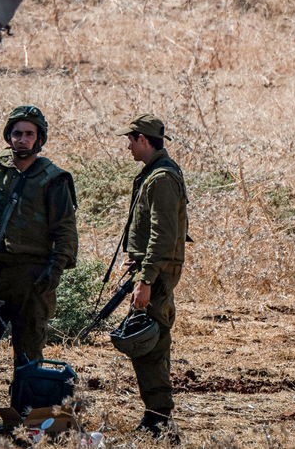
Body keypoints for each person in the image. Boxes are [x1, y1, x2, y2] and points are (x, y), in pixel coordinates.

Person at [0, 105, 78, 401]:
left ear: (39, 139)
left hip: (33, 276)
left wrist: (54, 271)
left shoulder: (53, 178)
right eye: (17, 133)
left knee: (29, 357)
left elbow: (66, 230)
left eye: (29, 134)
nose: (22, 139)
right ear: (8, 136)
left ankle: (26, 419)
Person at [120, 113, 188, 440]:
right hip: (151, 270)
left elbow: (163, 235)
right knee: (147, 342)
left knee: (150, 343)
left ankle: (160, 421)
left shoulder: (161, 178)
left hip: (156, 275)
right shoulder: (154, 174)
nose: (129, 147)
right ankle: (156, 417)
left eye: (131, 140)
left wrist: (146, 280)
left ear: (143, 140)